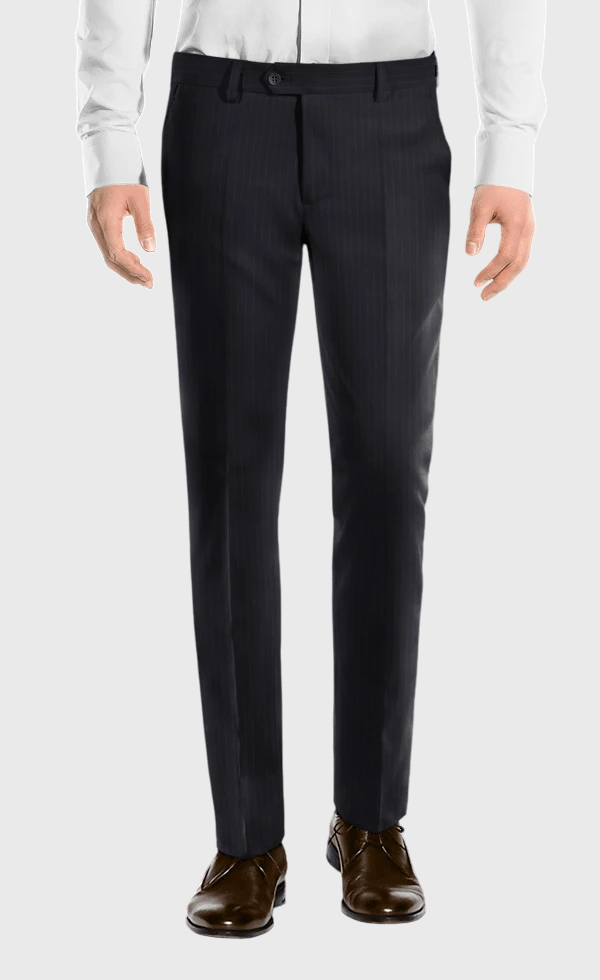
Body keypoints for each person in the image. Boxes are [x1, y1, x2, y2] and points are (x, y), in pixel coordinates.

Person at [76, 0, 546, 937]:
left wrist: (511, 143)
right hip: (223, 112)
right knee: (230, 478)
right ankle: (246, 841)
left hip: (387, 113)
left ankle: (371, 821)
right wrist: (108, 132)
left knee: (387, 472)